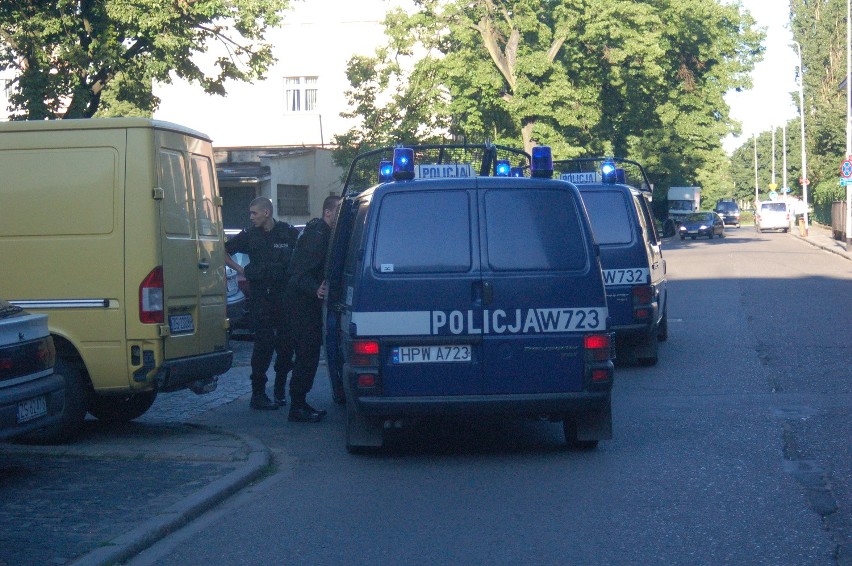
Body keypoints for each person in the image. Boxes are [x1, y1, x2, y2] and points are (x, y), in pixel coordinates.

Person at [225, 197, 301, 410]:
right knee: (263, 346)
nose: (251, 217)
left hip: (284, 298)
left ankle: (279, 388)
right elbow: (223, 251)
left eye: (254, 213)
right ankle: (258, 394)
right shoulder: (250, 236)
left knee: (286, 346)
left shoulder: (287, 232)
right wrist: (241, 270)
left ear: (266, 212)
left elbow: (302, 257)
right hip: (260, 299)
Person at [285, 195, 341, 422]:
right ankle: (297, 406)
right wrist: (315, 289)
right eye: (339, 209)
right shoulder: (317, 236)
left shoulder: (324, 233)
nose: (341, 214)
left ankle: (299, 403)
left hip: (306, 303)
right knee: (307, 354)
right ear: (328, 212)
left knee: (309, 354)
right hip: (301, 304)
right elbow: (298, 272)